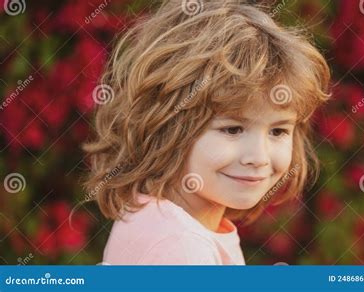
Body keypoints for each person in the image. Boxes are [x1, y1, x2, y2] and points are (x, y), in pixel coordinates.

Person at [82, 0, 330, 265]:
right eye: (233, 129)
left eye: (278, 131)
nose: (259, 157)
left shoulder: (172, 224)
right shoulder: (181, 247)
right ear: (166, 126)